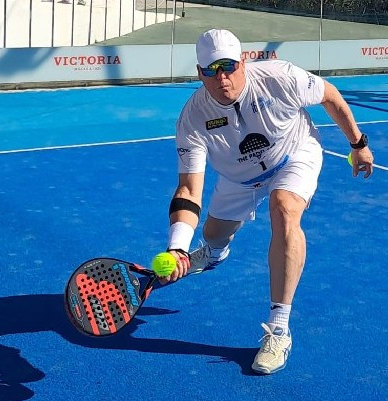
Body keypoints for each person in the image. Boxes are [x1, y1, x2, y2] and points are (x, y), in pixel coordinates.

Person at [160, 28, 374, 374]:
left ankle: (278, 329)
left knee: (284, 208)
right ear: (199, 73)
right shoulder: (192, 118)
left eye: (228, 66)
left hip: (294, 154)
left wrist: (358, 143)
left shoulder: (280, 77)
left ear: (243, 61)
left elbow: (329, 95)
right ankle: (212, 253)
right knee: (214, 235)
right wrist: (177, 248)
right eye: (211, 70)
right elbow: (188, 189)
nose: (221, 77)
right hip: (237, 178)